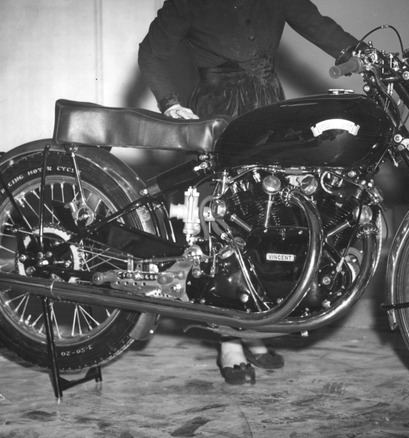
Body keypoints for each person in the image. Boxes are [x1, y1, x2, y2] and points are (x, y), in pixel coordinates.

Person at [138, 0, 357, 385]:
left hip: (270, 110)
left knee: (269, 223)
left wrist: (362, 55)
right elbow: (151, 53)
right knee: (225, 229)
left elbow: (317, 24)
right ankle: (230, 341)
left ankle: (255, 328)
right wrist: (170, 105)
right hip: (219, 114)